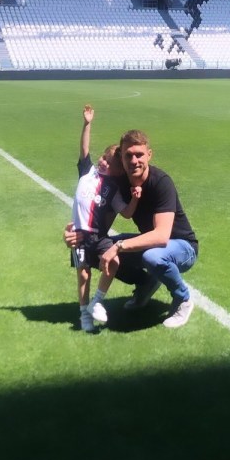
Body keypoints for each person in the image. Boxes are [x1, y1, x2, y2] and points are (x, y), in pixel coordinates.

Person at [99, 129, 198, 329]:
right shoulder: (122, 184)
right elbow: (102, 224)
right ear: (122, 158)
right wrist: (79, 233)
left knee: (152, 257)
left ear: (149, 155)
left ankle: (183, 299)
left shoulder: (161, 182)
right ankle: (147, 283)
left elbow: (162, 237)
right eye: (128, 155)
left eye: (139, 155)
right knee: (100, 247)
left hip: (183, 247)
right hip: (153, 245)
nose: (134, 160)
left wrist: (119, 246)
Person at [69, 105, 141, 333]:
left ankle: (96, 301)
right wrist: (87, 123)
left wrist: (135, 199)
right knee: (83, 272)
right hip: (80, 234)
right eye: (103, 157)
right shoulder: (87, 171)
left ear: (116, 172)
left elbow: (126, 213)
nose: (103, 163)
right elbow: (84, 148)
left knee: (114, 262)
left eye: (109, 163)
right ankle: (83, 313)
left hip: (99, 236)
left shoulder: (112, 189)